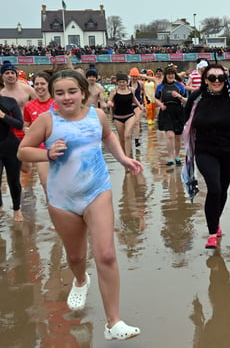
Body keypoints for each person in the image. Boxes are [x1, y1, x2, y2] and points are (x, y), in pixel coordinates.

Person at [18, 70, 142, 341]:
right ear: (53, 95)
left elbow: (108, 136)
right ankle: (81, 280)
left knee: (106, 255)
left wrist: (122, 158)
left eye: (72, 91)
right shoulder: (46, 120)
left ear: (83, 92)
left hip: (97, 191)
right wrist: (47, 153)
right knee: (75, 257)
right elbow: (23, 150)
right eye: (59, 93)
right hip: (63, 200)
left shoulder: (96, 115)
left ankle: (113, 322)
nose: (66, 97)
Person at [184, 63, 230, 249]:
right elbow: (186, 119)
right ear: (205, 80)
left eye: (220, 78)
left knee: (222, 190)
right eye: (212, 78)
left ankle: (215, 221)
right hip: (205, 150)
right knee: (214, 188)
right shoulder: (197, 97)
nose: (217, 81)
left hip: (229, 150)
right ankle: (212, 233)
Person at [23, 72, 54, 193]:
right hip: (41, 151)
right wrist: (27, 131)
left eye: (43, 83)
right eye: (36, 84)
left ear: (49, 85)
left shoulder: (57, 103)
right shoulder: (29, 106)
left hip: (60, 148)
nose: (39, 87)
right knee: (47, 187)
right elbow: (26, 127)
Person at [155, 65, 187, 166]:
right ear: (165, 75)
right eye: (169, 74)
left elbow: (186, 101)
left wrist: (179, 96)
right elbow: (155, 98)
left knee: (178, 137)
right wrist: (160, 104)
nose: (170, 76)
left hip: (178, 111)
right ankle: (170, 158)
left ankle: (177, 156)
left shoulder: (180, 86)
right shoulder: (161, 86)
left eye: (172, 74)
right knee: (170, 135)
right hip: (166, 111)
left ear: (175, 75)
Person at [0, 90, 24, 222]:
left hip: (10, 147)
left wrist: (3, 116)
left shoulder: (9, 102)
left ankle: (16, 208)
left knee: (13, 181)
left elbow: (19, 125)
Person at [108, 73, 143, 158]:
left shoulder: (131, 90)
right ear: (117, 82)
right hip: (118, 117)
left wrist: (140, 106)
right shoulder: (114, 90)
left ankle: (129, 157)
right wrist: (109, 103)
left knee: (127, 135)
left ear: (127, 82)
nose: (122, 84)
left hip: (130, 115)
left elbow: (134, 99)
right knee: (122, 139)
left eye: (123, 82)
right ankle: (125, 156)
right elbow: (110, 100)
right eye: (120, 82)